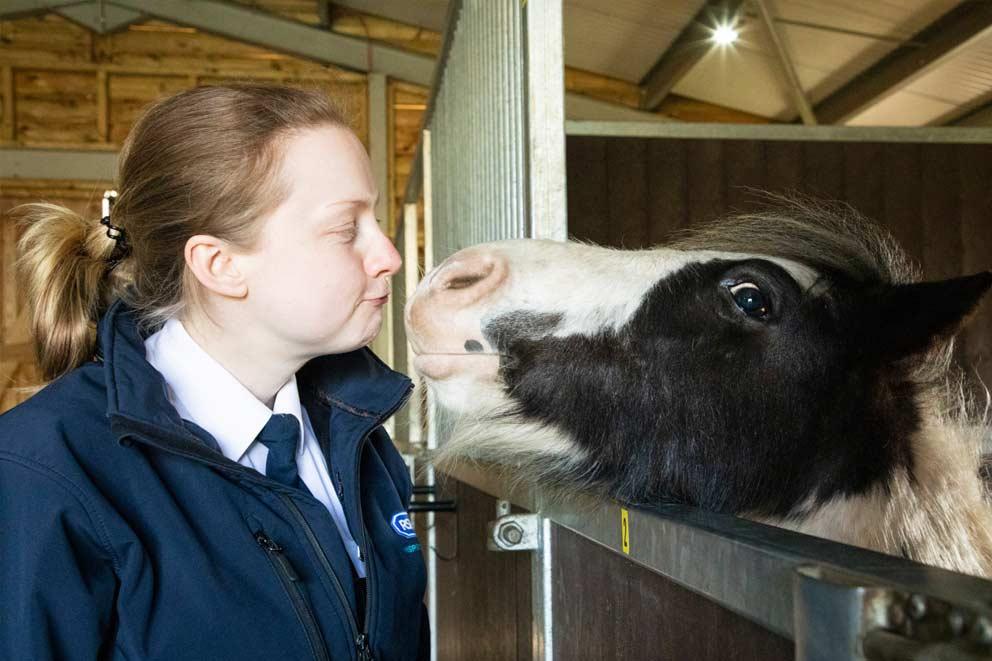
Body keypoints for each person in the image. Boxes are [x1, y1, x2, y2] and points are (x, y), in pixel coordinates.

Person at [0, 83, 428, 660]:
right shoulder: (43, 472)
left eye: (373, 219)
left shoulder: (358, 435)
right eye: (346, 229)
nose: (390, 256)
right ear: (219, 264)